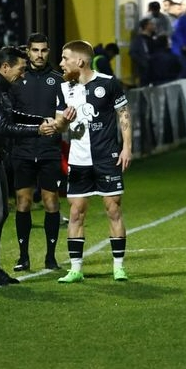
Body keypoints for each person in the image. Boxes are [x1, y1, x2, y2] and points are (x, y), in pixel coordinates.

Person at [0, 46, 69, 288]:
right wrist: (38, 129)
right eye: (20, 69)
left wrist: (42, 121)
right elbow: (3, 126)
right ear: (5, 67)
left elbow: (11, 115)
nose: (23, 75)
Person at [56, 40, 132, 284]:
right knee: (76, 212)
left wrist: (127, 148)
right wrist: (63, 122)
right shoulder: (64, 88)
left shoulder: (108, 83)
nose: (61, 63)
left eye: (65, 58)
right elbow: (57, 125)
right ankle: (76, 269)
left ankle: (118, 267)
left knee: (113, 209)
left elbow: (124, 114)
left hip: (106, 158)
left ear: (80, 61)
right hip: (79, 161)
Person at [9, 33, 66, 272]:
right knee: (22, 202)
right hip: (22, 150)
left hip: (49, 150)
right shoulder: (16, 79)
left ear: (48, 51)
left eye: (43, 50)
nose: (39, 55)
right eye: (35, 50)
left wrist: (58, 125)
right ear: (28, 51)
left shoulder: (59, 80)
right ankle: (23, 257)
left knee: (50, 201)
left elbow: (64, 115)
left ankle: (50, 257)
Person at [129, 18, 155, 87]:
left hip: (153, 68)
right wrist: (142, 62)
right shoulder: (138, 39)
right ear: (146, 26)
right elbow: (133, 53)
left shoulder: (152, 39)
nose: (153, 26)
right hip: (143, 69)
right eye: (151, 24)